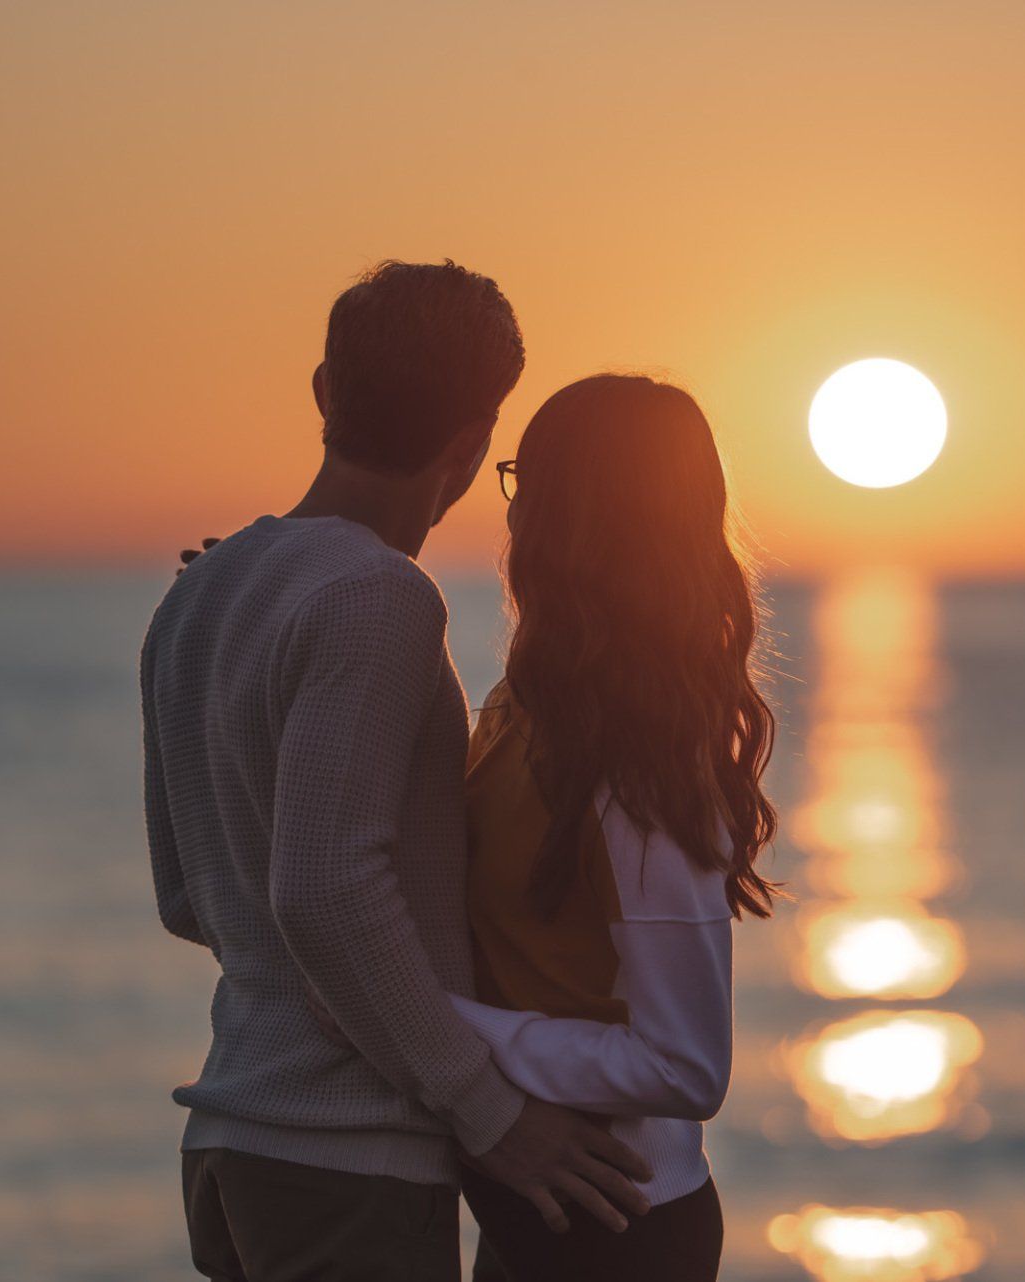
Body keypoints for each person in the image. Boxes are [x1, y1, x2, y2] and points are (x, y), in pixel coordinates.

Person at [141, 261, 651, 1282]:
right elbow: (324, 889)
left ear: (325, 392)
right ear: (471, 446)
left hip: (233, 1142)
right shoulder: (380, 598)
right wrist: (493, 1110)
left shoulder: (198, 597)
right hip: (346, 1158)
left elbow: (189, 900)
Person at [450, 375, 782, 1281]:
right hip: (540, 1205)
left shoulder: (639, 768)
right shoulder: (529, 705)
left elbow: (684, 1067)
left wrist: (449, 1027)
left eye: (528, 480)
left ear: (576, 516)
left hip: (620, 1227)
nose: (510, 514)